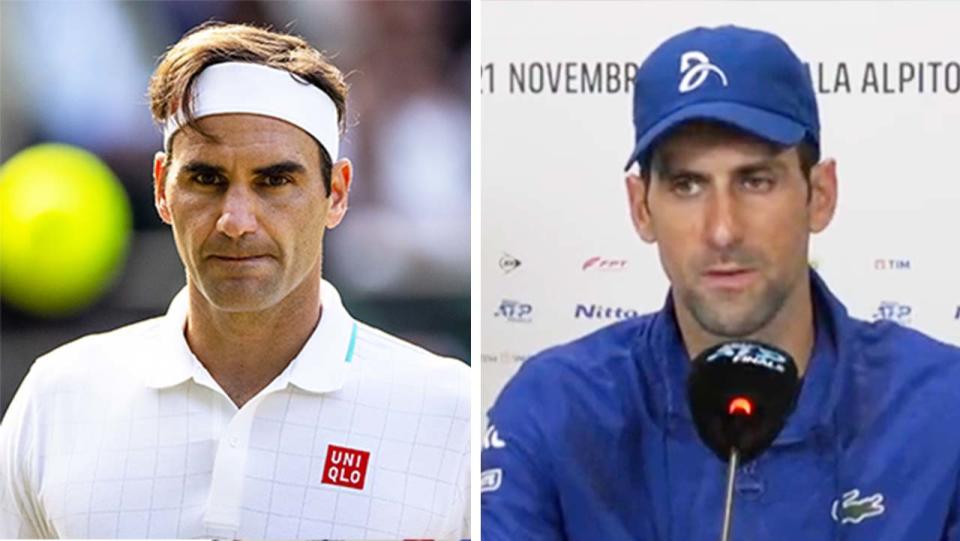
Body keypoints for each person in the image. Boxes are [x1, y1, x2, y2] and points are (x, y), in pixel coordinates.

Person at [481, 25, 960, 540]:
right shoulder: (554, 409)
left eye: (755, 181)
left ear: (820, 195)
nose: (723, 229)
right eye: (687, 185)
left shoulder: (943, 408)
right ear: (641, 208)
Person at [0, 22, 469, 539]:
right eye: (206, 179)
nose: (236, 220)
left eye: (275, 181)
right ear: (161, 188)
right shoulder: (58, 396)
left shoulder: (450, 412)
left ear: (335, 193)